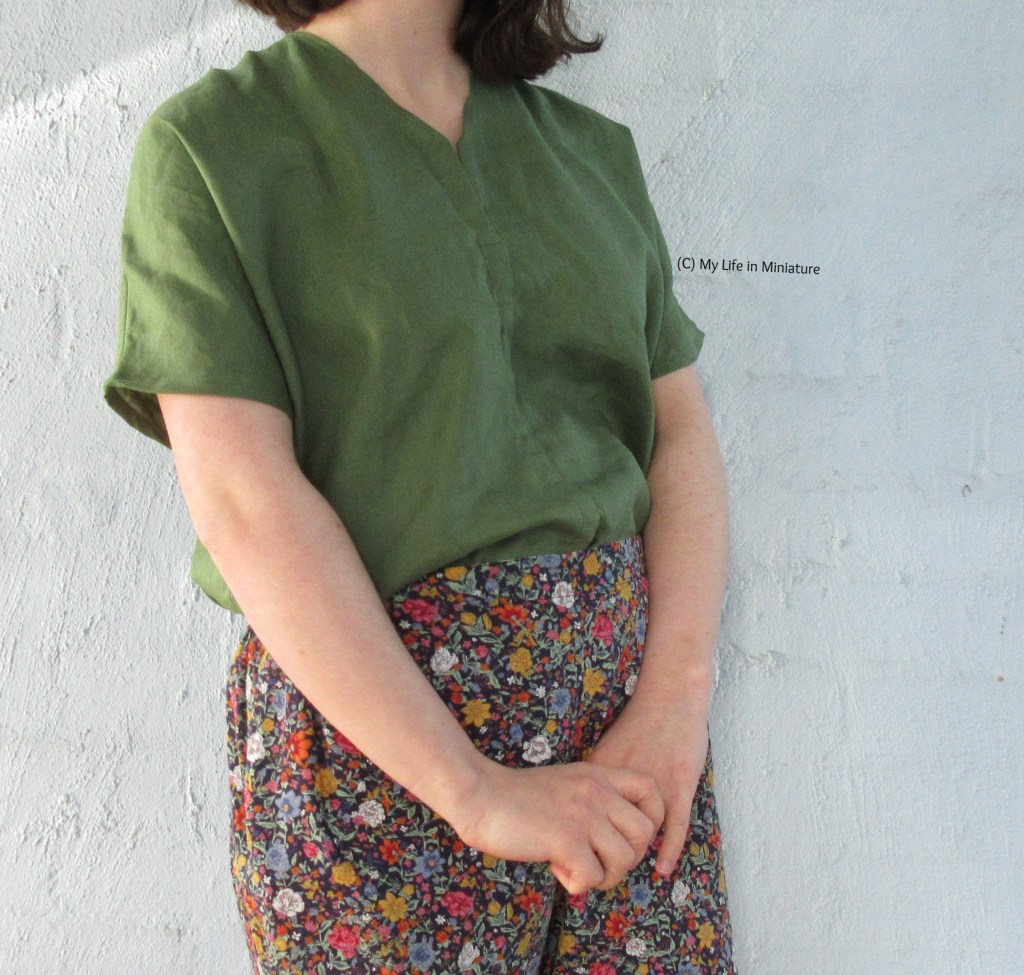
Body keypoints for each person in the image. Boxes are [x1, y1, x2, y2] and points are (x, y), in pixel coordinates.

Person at [101, 0, 737, 972]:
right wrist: (476, 792)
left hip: (633, 752)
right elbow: (244, 498)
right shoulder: (215, 150)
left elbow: (677, 436)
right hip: (385, 771)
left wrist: (673, 706)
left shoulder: (588, 153)